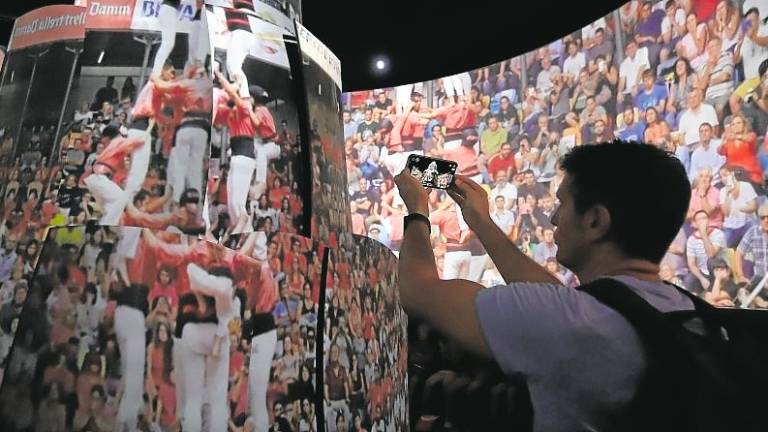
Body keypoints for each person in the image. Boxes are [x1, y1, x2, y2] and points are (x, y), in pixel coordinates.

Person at [394, 141, 693, 431]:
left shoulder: (569, 322)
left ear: (595, 221)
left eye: (562, 203)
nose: (552, 218)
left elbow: (417, 291)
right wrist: (481, 222)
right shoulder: (683, 308)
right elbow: (564, 301)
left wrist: (417, 210)